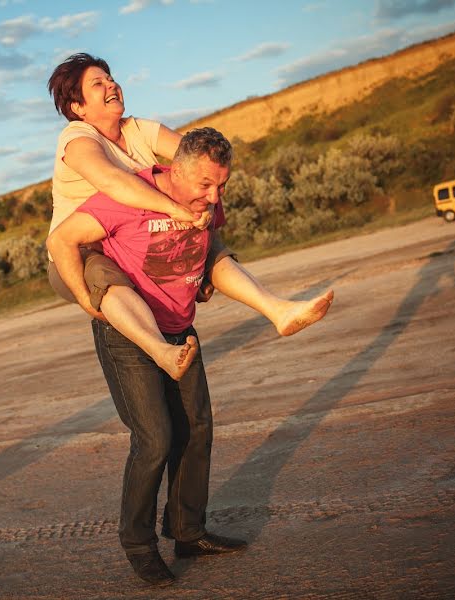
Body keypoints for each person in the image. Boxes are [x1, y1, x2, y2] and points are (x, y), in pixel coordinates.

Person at [47, 128, 334, 587]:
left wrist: (199, 280)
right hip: (131, 338)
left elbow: (204, 249)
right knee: (155, 438)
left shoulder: (209, 201)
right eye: (204, 185)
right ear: (174, 169)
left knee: (197, 430)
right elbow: (63, 239)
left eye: (221, 185)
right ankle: (138, 544)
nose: (213, 196)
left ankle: (187, 531)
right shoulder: (130, 193)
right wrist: (87, 299)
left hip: (181, 329)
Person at [46, 53, 334, 382]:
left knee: (208, 241)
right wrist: (175, 209)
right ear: (78, 107)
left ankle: (279, 310)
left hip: (136, 242)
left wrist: (203, 200)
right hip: (82, 252)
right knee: (106, 272)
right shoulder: (77, 138)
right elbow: (113, 182)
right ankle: (162, 351)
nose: (111, 84)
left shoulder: (139, 129)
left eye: (110, 78)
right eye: (97, 83)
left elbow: (196, 162)